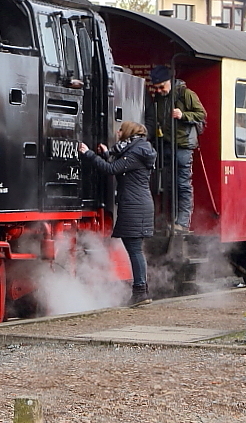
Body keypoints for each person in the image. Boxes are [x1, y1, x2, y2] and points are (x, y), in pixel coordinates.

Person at [79, 121, 157, 307]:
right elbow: (121, 166)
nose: (118, 131)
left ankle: (140, 291)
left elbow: (112, 169)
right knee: (135, 248)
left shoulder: (136, 152)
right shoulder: (137, 150)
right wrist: (106, 154)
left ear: (128, 132)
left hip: (134, 205)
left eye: (121, 129)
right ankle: (140, 290)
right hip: (137, 203)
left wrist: (88, 154)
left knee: (135, 249)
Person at [144, 65, 206, 232]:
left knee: (182, 184)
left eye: (161, 86)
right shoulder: (160, 98)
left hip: (183, 146)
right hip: (166, 144)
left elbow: (201, 114)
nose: (158, 90)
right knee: (167, 183)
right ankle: (168, 220)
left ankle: (183, 222)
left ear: (169, 82)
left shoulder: (185, 94)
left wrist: (183, 115)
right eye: (156, 87)